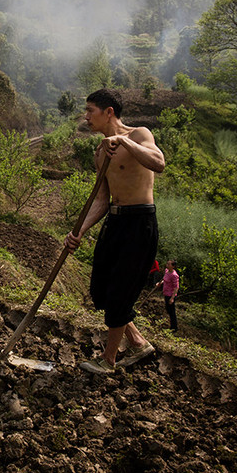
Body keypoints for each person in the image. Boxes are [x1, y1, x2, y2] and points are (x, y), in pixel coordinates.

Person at [64, 89, 166, 374]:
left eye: (90, 111)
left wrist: (123, 141)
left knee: (121, 291)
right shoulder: (100, 153)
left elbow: (158, 163)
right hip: (116, 222)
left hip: (139, 222)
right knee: (101, 290)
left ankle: (108, 360)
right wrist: (79, 231)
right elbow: (102, 200)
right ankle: (137, 341)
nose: (86, 117)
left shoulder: (139, 135)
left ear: (109, 112)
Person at [156, 259, 180, 331]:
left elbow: (176, 287)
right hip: (166, 293)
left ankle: (174, 327)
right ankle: (171, 324)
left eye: (169, 264)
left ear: (173, 266)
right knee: (168, 310)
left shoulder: (174, 275)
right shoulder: (167, 271)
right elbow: (164, 279)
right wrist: (160, 283)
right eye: (167, 263)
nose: (167, 265)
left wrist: (172, 298)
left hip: (170, 295)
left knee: (171, 311)